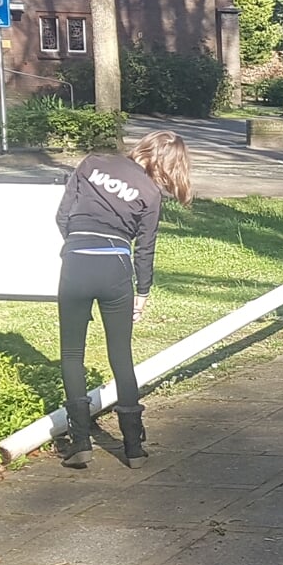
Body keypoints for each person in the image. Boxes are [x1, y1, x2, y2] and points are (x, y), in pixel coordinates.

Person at [53, 130, 192, 469]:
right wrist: (142, 292)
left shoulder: (93, 162)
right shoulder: (150, 193)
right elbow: (146, 250)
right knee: (120, 354)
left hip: (77, 261)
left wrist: (75, 247)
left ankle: (81, 442)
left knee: (72, 352)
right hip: (116, 267)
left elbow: (61, 216)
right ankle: (133, 447)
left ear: (144, 146)